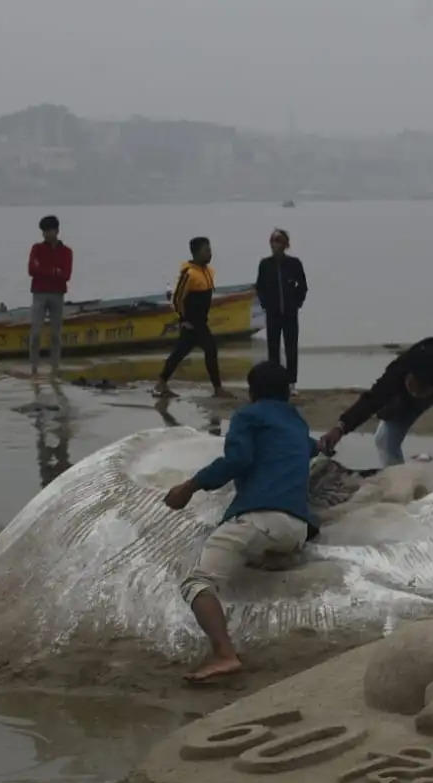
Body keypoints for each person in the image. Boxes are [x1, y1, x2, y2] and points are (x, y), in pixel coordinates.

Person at [163, 361, 321, 682]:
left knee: (196, 583)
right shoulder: (297, 423)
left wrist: (189, 487)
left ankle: (224, 654)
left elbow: (238, 459)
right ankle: (273, 555)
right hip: (298, 527)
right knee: (257, 547)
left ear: (251, 393)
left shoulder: (247, 416)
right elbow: (308, 450)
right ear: (287, 393)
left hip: (262, 517)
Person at [318, 337, 433, 485]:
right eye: (411, 386)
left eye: (420, 391)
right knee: (384, 439)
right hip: (407, 400)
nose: (415, 392)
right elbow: (373, 399)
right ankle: (400, 485)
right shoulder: (403, 367)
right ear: (407, 376)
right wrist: (341, 427)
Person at [154, 236, 227, 398]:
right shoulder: (189, 273)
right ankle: (218, 389)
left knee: (180, 353)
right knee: (209, 350)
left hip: (201, 322)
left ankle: (161, 383)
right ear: (196, 253)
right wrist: (183, 320)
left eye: (210, 250)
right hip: (192, 323)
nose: (210, 254)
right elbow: (177, 298)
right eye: (206, 251)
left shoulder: (208, 271)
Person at [254, 228, 309, 391]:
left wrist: (297, 303)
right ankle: (275, 384)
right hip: (273, 313)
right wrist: (265, 304)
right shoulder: (265, 264)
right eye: (273, 241)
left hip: (290, 313)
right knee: (273, 349)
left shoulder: (294, 263)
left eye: (278, 241)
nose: (275, 244)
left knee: (291, 348)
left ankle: (291, 383)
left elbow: (303, 286)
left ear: (285, 245)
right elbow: (260, 287)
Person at [27, 215, 73, 378]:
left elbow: (66, 275)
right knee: (36, 333)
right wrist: (54, 271)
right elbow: (31, 270)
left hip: (57, 294)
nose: (46, 234)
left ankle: (55, 367)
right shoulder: (37, 248)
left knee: (56, 334)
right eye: (44, 231)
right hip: (39, 293)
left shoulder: (66, 251)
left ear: (57, 231)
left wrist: (44, 269)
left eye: (49, 231)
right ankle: (34, 367)